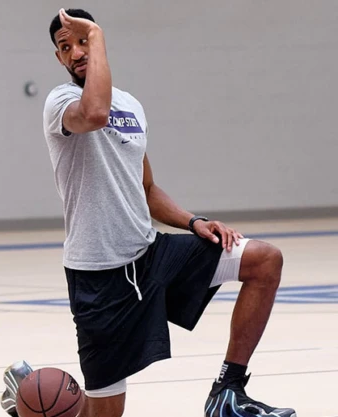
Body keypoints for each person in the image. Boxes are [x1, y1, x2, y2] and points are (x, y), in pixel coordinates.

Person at [41, 8, 295, 417]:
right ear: (58, 59)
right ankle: (32, 400)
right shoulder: (61, 102)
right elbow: (94, 114)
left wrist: (194, 221)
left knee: (265, 260)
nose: (75, 52)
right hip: (98, 277)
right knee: (105, 412)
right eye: (65, 47)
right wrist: (97, 35)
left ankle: (228, 393)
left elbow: (146, 187)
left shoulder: (132, 106)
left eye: (83, 41)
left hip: (150, 256)